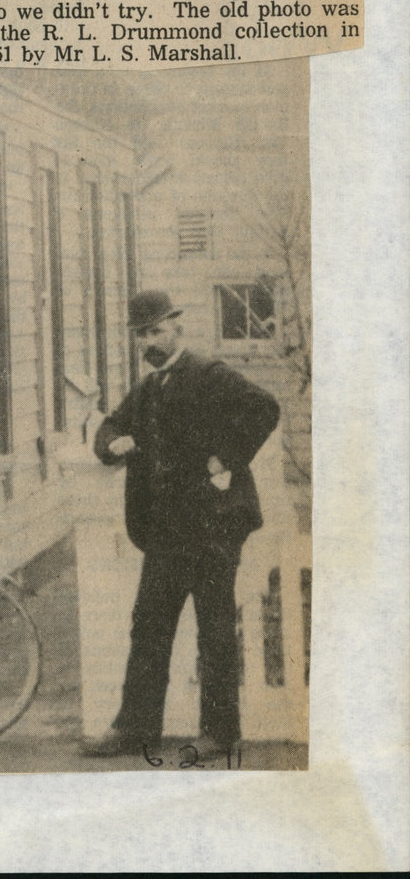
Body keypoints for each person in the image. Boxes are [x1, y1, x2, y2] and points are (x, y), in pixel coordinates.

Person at [81, 289, 281, 758]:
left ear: (177, 328)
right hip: (166, 532)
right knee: (148, 626)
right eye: (141, 335)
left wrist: (223, 459)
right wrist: (112, 445)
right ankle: (135, 727)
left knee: (213, 627)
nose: (149, 341)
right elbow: (109, 425)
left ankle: (220, 732)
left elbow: (264, 407)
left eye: (156, 331)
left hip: (213, 526)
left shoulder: (208, 374)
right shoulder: (149, 388)